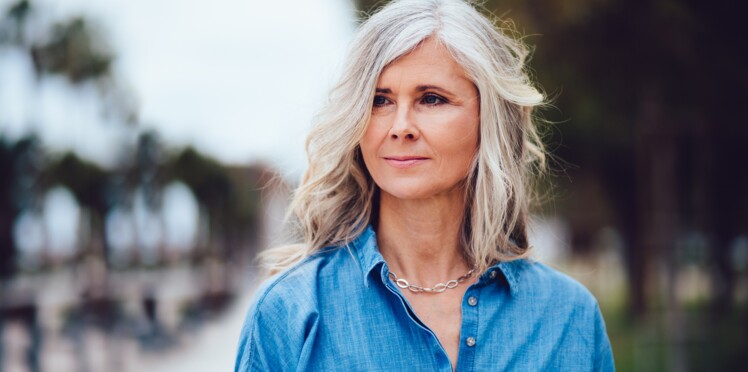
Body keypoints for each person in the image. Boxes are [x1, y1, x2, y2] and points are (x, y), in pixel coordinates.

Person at [235, 0, 614, 371]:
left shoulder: (569, 317)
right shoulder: (289, 312)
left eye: (431, 99)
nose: (400, 126)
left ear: (490, 119)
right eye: (380, 100)